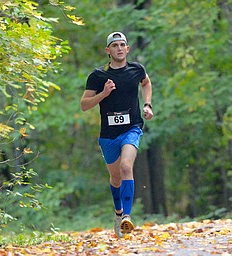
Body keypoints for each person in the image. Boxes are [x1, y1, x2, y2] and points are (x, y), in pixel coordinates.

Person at [80, 32, 153, 238]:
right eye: (115, 45)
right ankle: (118, 213)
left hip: (132, 128)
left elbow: (146, 83)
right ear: (108, 51)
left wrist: (147, 105)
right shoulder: (98, 76)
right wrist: (103, 94)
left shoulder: (136, 69)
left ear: (128, 49)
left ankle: (127, 217)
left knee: (125, 167)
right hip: (108, 134)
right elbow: (84, 105)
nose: (119, 48)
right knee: (115, 176)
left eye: (123, 45)